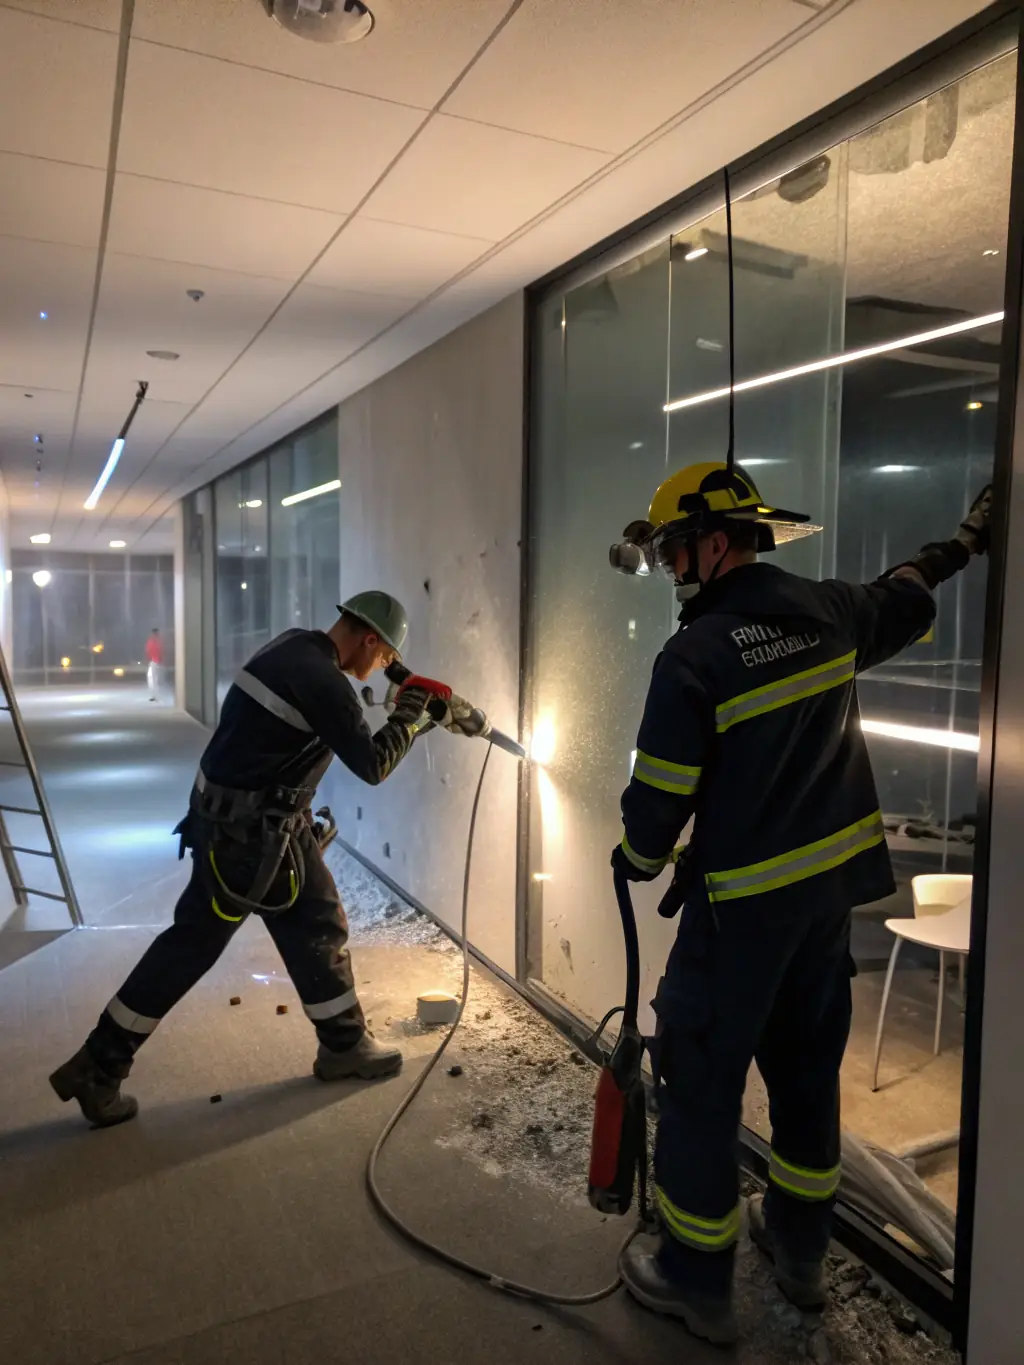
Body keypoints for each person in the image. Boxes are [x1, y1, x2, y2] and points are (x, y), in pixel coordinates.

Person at [608, 462, 991, 1344]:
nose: (673, 573)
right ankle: (801, 1256)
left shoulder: (694, 656)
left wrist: (633, 856)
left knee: (700, 1083)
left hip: (737, 917)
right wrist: (963, 543)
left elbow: (657, 804)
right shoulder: (830, 612)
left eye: (675, 554)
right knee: (808, 1080)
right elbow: (906, 588)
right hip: (827, 916)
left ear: (713, 542)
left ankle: (695, 1279)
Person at [51, 591, 451, 1129]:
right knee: (194, 944)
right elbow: (373, 765)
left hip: (247, 821)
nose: (379, 669)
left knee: (316, 922)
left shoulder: (293, 648)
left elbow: (285, 741)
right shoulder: (326, 684)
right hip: (250, 839)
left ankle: (344, 1043)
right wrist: (409, 711)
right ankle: (98, 1065)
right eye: (382, 658)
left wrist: (418, 713)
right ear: (369, 638)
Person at [145, 627, 163, 701]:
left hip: (154, 661)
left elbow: (150, 650)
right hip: (154, 661)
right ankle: (154, 695)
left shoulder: (154, 641)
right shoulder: (155, 641)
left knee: (153, 678)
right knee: (152, 678)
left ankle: (155, 696)